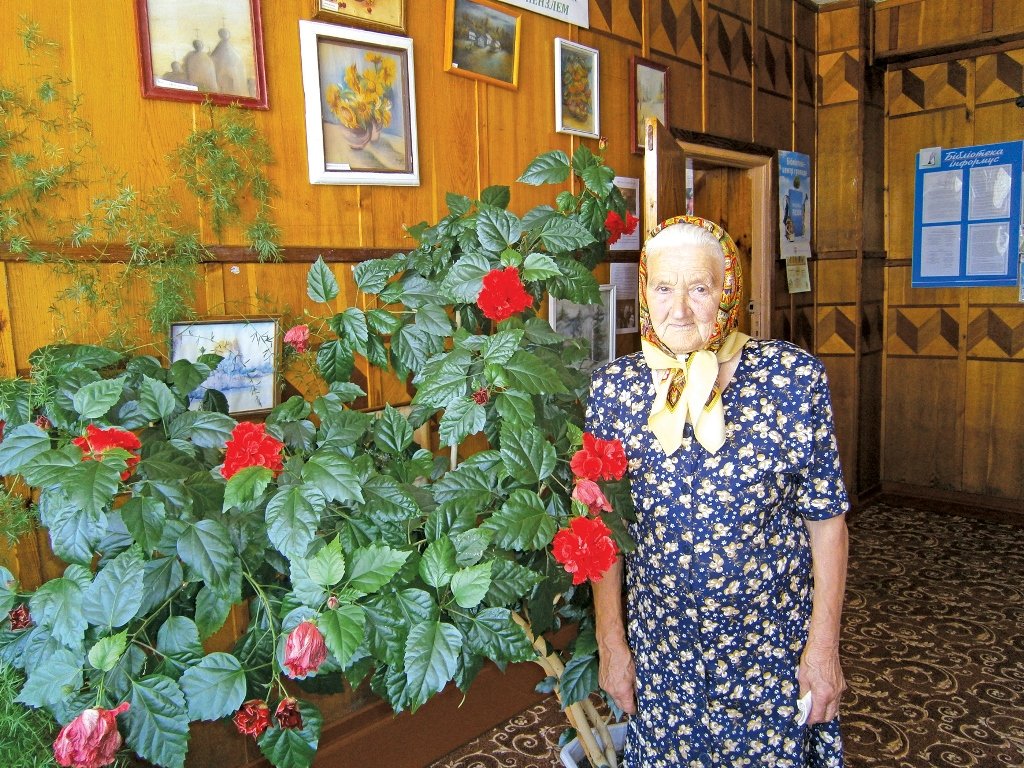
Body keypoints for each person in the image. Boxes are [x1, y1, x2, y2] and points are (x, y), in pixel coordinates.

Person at [587, 215, 849, 767]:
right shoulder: (614, 390)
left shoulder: (791, 380)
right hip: (663, 653)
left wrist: (823, 649)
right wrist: (612, 643)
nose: (679, 309)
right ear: (644, 293)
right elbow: (601, 529)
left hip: (769, 651)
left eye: (700, 289)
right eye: (664, 287)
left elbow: (827, 524)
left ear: (728, 292)